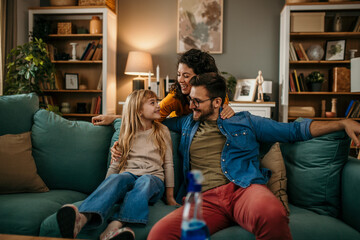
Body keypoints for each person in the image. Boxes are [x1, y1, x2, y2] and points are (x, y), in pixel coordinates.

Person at [144, 72, 360, 240]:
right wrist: (114, 120)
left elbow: (294, 131)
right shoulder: (186, 123)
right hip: (204, 199)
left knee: (272, 213)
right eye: (190, 100)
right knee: (160, 233)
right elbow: (151, 118)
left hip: (244, 189)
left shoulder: (245, 121)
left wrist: (341, 123)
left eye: (197, 102)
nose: (191, 106)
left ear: (218, 102)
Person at [56, 89, 177, 240]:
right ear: (139, 111)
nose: (159, 105)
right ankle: (81, 219)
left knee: (145, 181)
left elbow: (168, 164)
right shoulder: (127, 133)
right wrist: (107, 189)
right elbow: (115, 164)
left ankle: (116, 224)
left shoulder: (162, 131)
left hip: (153, 180)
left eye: (156, 101)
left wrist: (170, 197)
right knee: (118, 178)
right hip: (129, 177)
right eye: (153, 103)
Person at [91, 49, 234, 126]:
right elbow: (149, 116)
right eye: (178, 74)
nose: (180, 80)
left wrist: (228, 110)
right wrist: (115, 118)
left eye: (186, 75)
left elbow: (220, 119)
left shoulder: (217, 94)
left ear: (201, 77)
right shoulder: (175, 97)